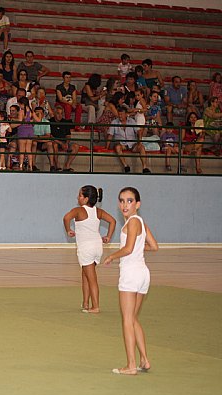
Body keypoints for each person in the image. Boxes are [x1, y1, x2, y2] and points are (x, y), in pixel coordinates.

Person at [104, 187, 158, 375]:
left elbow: (127, 249)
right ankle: (144, 359)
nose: (125, 204)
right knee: (133, 318)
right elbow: (154, 246)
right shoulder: (140, 222)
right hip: (143, 274)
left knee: (127, 320)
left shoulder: (133, 223)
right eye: (122, 200)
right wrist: (136, 250)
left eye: (129, 201)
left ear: (137, 204)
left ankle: (131, 365)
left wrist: (112, 256)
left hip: (131, 274)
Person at [63, 186, 116, 314]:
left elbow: (66, 218)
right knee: (85, 275)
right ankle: (86, 303)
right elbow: (113, 221)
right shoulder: (98, 211)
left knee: (91, 278)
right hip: (97, 247)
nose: (78, 197)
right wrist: (108, 236)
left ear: (86, 199)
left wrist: (68, 230)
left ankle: (96, 306)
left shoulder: (78, 210)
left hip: (86, 248)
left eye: (80, 195)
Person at [107, 106, 151, 174]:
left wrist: (139, 142)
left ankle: (144, 168)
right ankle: (125, 166)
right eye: (119, 114)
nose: (120, 116)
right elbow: (110, 135)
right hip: (121, 144)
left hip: (132, 144)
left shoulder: (131, 121)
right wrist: (107, 147)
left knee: (141, 147)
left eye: (122, 114)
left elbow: (139, 131)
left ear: (125, 114)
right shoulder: (114, 122)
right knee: (117, 147)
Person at [49, 106, 79, 172]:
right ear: (54, 113)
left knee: (75, 146)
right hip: (55, 142)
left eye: (61, 114)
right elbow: (50, 136)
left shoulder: (65, 122)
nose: (60, 115)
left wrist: (66, 143)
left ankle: (67, 166)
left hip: (64, 142)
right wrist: (61, 143)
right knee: (54, 145)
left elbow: (68, 135)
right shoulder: (50, 122)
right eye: (58, 113)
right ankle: (57, 165)